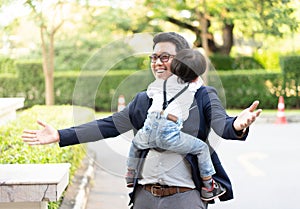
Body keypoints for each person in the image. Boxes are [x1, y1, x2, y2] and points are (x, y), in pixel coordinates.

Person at [22, 32, 262, 209]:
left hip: (186, 197)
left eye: (165, 57)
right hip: (144, 197)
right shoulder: (145, 98)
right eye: (153, 57)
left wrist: (238, 125)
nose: (157, 62)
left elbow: (223, 125)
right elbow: (109, 125)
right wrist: (60, 135)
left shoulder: (202, 95)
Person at [126, 48, 226, 201]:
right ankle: (208, 185)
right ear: (196, 75)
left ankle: (130, 173)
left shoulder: (159, 85)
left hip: (149, 128)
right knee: (202, 148)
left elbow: (150, 93)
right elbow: (197, 84)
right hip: (169, 132)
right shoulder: (193, 87)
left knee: (135, 143)